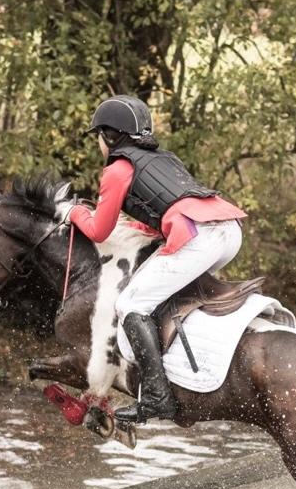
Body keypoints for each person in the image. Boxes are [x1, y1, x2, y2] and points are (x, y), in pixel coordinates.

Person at [55, 95, 247, 424]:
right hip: (229, 232)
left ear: (109, 136)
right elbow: (167, 207)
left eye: (99, 137)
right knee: (161, 295)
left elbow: (98, 231)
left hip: (201, 238)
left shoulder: (117, 169)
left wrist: (73, 212)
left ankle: (158, 397)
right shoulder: (164, 158)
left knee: (131, 304)